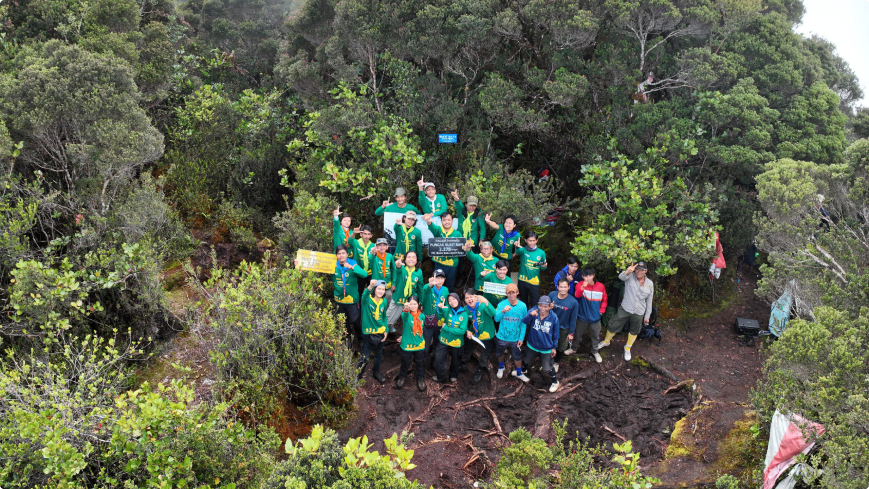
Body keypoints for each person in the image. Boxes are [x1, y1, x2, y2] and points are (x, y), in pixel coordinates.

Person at [599, 262, 654, 361]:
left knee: (635, 330)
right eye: (637, 269)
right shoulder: (630, 277)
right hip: (625, 308)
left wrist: (647, 316)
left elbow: (649, 300)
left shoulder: (649, 284)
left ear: (646, 271)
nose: (639, 271)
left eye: (642, 270)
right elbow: (621, 277)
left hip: (639, 311)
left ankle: (627, 347)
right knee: (613, 324)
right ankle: (606, 341)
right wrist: (628, 271)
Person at [317, 245, 367, 346]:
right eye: (339, 253)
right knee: (343, 321)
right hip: (339, 300)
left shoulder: (352, 263)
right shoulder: (332, 265)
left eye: (343, 253)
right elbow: (316, 266)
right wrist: (299, 263)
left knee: (356, 321)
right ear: (336, 255)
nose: (341, 255)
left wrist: (352, 267)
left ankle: (360, 339)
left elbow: (364, 274)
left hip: (352, 300)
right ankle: (347, 340)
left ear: (347, 254)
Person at [521, 295, 560, 392]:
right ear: (538, 305)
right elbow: (524, 321)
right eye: (541, 306)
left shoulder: (553, 317)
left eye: (545, 306)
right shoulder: (533, 311)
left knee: (547, 367)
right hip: (532, 344)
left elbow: (556, 333)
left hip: (546, 347)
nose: (543, 308)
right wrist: (530, 315)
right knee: (526, 359)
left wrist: (554, 347)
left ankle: (555, 382)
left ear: (550, 306)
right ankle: (522, 370)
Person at [572, 267, 607, 363]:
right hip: (582, 316)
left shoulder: (601, 286)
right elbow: (577, 295)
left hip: (595, 317)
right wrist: (583, 286)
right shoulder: (580, 284)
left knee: (595, 335)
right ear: (582, 276)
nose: (588, 278)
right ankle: (573, 348)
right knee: (578, 333)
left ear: (594, 275)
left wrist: (601, 311)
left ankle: (595, 351)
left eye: (590, 275)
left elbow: (604, 300)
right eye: (586, 276)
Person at [461, 289, 497, 383]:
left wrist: (485, 301)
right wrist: (467, 331)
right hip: (473, 334)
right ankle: (464, 363)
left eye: (471, 296)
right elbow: (464, 323)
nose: (469, 299)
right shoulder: (465, 310)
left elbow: (494, 314)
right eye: (467, 298)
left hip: (487, 334)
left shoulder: (483, 306)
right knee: (468, 348)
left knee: (485, 353)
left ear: (476, 297)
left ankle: (480, 369)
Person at [493, 283, 528, 380]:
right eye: (509, 293)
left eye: (514, 292)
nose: (512, 295)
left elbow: (524, 323)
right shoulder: (501, 304)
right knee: (499, 353)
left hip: (515, 337)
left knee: (517, 356)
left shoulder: (522, 306)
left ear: (517, 292)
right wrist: (503, 311)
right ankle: (501, 367)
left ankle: (519, 373)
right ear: (506, 294)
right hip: (502, 336)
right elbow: (496, 319)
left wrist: (521, 338)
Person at [358, 280, 389, 384]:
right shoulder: (367, 300)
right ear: (375, 289)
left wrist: (386, 330)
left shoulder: (384, 301)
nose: (381, 291)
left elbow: (384, 317)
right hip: (368, 333)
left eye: (383, 289)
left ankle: (376, 372)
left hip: (380, 333)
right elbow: (365, 294)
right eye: (379, 288)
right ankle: (358, 376)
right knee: (365, 357)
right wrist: (370, 286)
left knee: (379, 355)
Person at [433, 293, 468, 383]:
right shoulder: (448, 309)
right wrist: (440, 308)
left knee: (456, 360)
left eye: (454, 299)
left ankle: (453, 375)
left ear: (458, 299)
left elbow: (462, 331)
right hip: (444, 339)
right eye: (449, 301)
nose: (452, 302)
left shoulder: (464, 314)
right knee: (438, 358)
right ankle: (441, 377)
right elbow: (441, 315)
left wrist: (447, 328)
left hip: (457, 342)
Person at [424, 212, 463, 291]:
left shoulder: (457, 233)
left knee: (450, 284)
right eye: (444, 220)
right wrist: (428, 221)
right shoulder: (438, 230)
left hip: (452, 264)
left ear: (452, 221)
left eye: (449, 220)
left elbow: (460, 248)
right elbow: (432, 227)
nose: (447, 222)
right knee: (437, 283)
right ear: (441, 221)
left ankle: (449, 301)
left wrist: (465, 247)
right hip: (439, 263)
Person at [396, 295, 427, 391]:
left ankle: (420, 378)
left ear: (418, 304)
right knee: (405, 362)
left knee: (420, 362)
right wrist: (406, 308)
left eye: (415, 304)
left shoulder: (422, 316)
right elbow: (405, 315)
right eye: (411, 304)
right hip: (407, 345)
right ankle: (402, 377)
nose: (413, 306)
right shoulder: (405, 314)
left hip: (419, 345)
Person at [548, 278, 579, 370]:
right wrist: (549, 307)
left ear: (569, 287)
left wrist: (571, 333)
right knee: (547, 343)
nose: (563, 289)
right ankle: (547, 359)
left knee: (561, 346)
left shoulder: (573, 302)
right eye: (561, 287)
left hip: (563, 328)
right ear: (557, 287)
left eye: (565, 287)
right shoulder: (552, 295)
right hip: (550, 325)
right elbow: (543, 308)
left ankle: (556, 362)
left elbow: (573, 318)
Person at [388, 251, 423, 330]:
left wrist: (421, 301)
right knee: (390, 316)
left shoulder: (419, 272)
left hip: (411, 298)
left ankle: (407, 334)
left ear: (417, 261)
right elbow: (398, 270)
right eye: (409, 257)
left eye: (414, 257)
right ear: (405, 259)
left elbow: (420, 288)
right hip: (399, 296)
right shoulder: (402, 268)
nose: (411, 259)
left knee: (409, 318)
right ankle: (388, 327)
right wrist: (398, 266)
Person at [421, 270, 449, 363]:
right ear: (433, 278)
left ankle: (434, 362)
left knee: (437, 344)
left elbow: (447, 306)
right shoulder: (428, 288)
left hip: (440, 322)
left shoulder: (445, 290)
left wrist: (446, 319)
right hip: (429, 322)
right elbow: (424, 292)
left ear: (444, 279)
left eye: (442, 278)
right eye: (437, 277)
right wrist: (430, 285)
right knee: (426, 344)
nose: (439, 280)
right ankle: (423, 363)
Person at [515, 231, 547, 309]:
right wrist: (517, 246)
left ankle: (534, 318)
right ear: (526, 240)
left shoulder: (541, 253)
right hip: (522, 281)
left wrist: (544, 266)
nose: (531, 243)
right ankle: (524, 318)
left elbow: (543, 268)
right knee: (523, 302)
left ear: (537, 240)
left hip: (534, 282)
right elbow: (518, 251)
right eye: (529, 240)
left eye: (533, 240)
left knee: (535, 303)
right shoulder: (523, 250)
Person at [349, 224, 375, 299]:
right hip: (359, 273)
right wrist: (353, 233)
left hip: (370, 273)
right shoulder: (356, 243)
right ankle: (359, 308)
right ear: (361, 234)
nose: (366, 236)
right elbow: (350, 241)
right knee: (359, 291)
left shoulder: (373, 246)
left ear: (371, 236)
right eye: (365, 234)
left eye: (368, 234)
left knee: (371, 292)